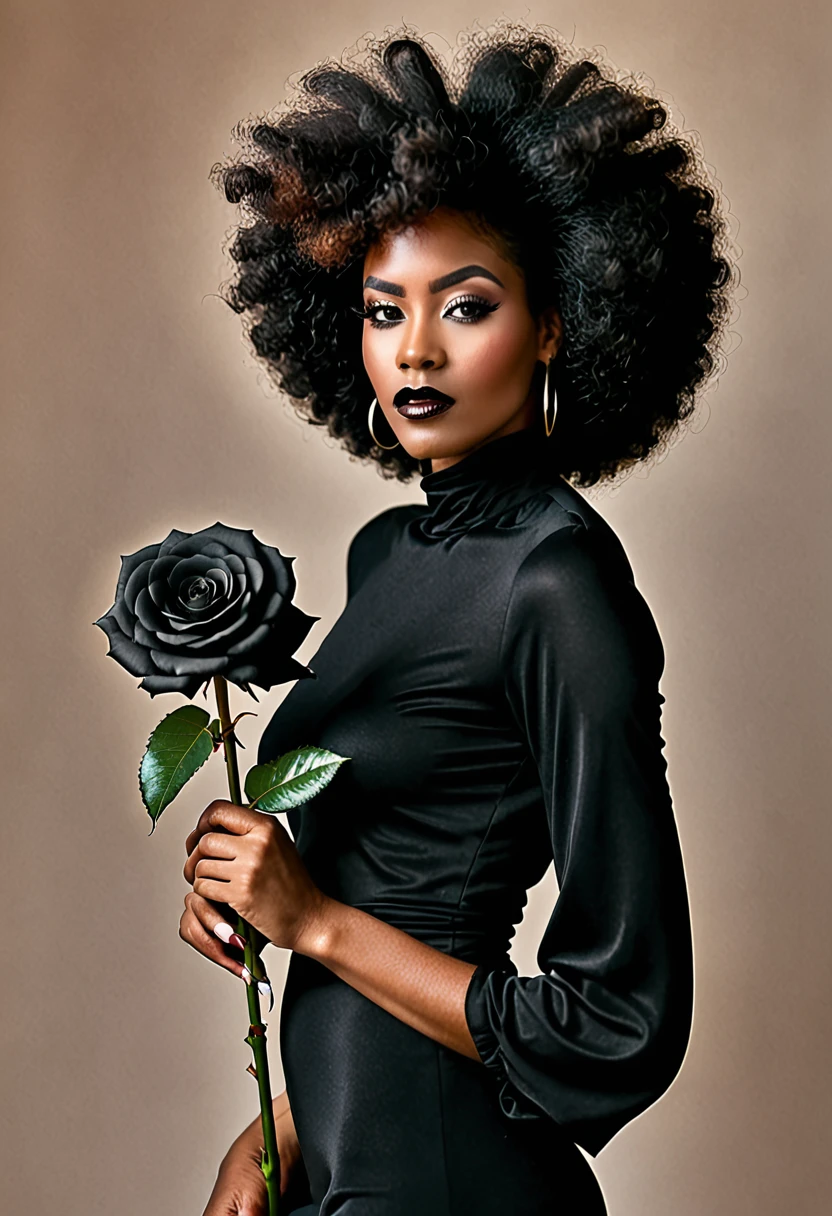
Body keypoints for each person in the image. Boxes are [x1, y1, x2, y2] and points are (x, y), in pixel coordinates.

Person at [179, 20, 736, 1215]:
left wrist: (313, 921)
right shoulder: (388, 553)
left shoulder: (558, 580)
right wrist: (283, 1126)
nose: (415, 350)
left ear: (553, 325)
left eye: (465, 306)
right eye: (384, 310)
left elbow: (617, 1016)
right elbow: (399, 881)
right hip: (344, 1162)